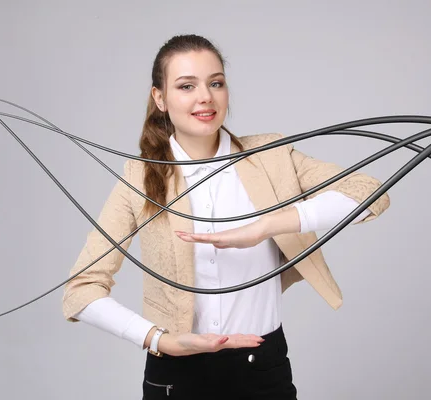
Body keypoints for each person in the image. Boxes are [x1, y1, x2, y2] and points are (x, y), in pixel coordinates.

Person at [62, 34, 390, 400]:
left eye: (215, 83)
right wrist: (159, 340)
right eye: (186, 86)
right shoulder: (139, 178)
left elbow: (370, 193)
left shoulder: (270, 156)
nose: (205, 97)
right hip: (174, 375)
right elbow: (80, 292)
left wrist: (268, 225)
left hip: (263, 370)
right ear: (160, 98)